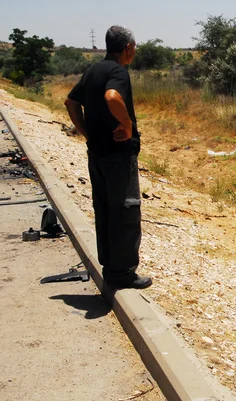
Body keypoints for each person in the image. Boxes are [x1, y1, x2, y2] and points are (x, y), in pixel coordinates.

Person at [64, 26, 151, 289]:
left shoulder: (93, 70)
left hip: (97, 153)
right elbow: (112, 96)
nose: (134, 51)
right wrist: (127, 125)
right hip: (117, 155)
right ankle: (122, 273)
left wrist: (86, 133)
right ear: (128, 48)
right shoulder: (118, 71)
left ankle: (109, 265)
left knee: (103, 208)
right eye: (134, 47)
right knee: (125, 210)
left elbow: (71, 102)